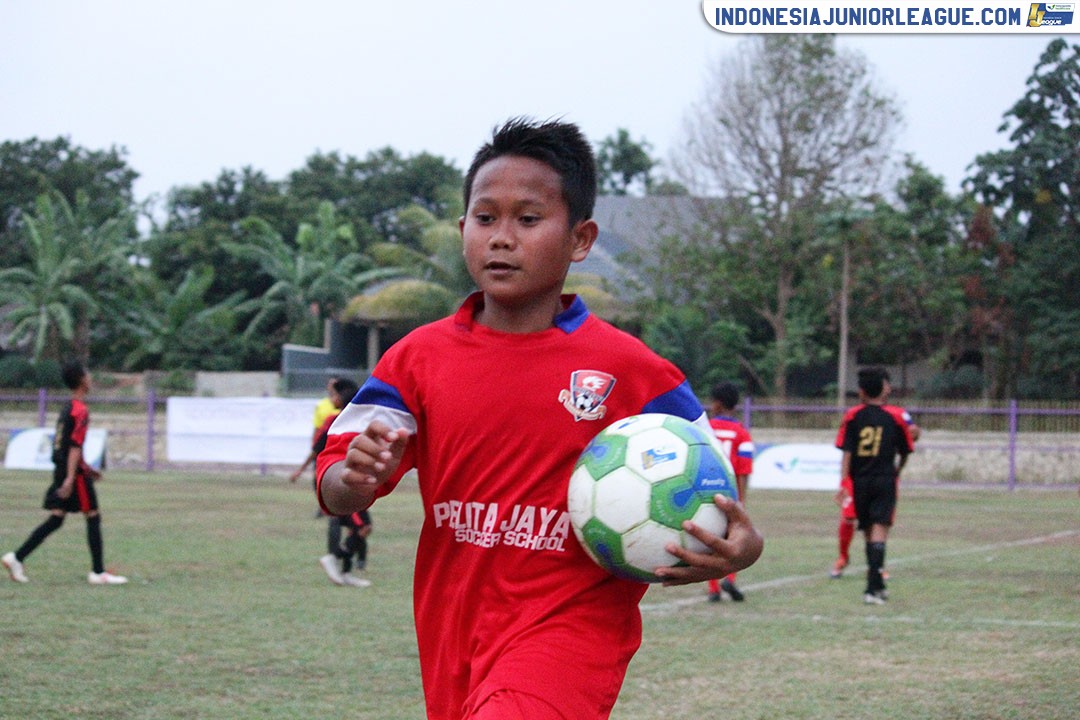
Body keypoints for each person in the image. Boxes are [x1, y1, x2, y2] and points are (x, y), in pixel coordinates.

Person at [316, 118, 764, 720]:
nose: (501, 237)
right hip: (455, 627)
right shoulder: (416, 360)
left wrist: (745, 546)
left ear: (580, 239)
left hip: (573, 631)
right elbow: (336, 486)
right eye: (485, 218)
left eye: (527, 219)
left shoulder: (632, 370)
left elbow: (715, 490)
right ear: (462, 230)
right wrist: (355, 476)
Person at [2, 360, 128, 586]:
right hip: (72, 473)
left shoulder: (68, 407)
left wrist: (85, 469)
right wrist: (73, 476)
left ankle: (16, 558)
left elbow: (67, 444)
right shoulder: (80, 410)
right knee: (93, 515)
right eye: (88, 374)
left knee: (57, 518)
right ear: (81, 380)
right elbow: (74, 445)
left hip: (63, 467)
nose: (90, 378)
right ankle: (98, 573)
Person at [834, 367, 915, 604]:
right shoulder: (895, 416)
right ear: (884, 388)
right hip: (884, 479)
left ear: (861, 391)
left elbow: (847, 451)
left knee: (868, 530)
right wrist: (898, 470)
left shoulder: (852, 416)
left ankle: (877, 584)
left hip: (860, 480)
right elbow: (907, 449)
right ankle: (871, 588)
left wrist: (843, 482)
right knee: (879, 531)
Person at [291, 377, 371, 588]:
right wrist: (301, 470)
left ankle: (344, 572)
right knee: (361, 527)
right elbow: (318, 449)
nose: (331, 398)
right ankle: (335, 557)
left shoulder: (346, 420)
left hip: (349, 481)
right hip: (343, 483)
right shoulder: (340, 421)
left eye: (334, 394)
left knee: (357, 527)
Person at [705, 381, 755, 603]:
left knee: (710, 539)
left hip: (705, 490)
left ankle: (714, 588)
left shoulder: (703, 428)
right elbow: (744, 470)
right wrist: (740, 500)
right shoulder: (742, 434)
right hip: (730, 491)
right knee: (734, 538)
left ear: (716, 404)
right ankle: (730, 580)